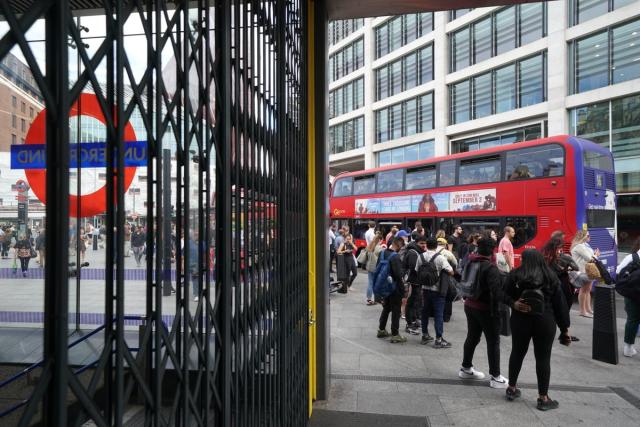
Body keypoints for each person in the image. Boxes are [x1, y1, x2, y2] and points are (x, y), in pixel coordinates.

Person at [504, 249, 571, 411]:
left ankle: (511, 388)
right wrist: (564, 329)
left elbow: (503, 294)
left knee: (517, 352)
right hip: (545, 320)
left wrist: (514, 304)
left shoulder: (515, 275)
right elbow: (560, 306)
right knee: (543, 358)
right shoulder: (551, 276)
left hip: (520, 319)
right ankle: (543, 398)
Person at [459, 237, 508, 388]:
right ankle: (495, 376)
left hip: (470, 305)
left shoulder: (470, 260)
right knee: (493, 341)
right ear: (493, 250)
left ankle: (466, 368)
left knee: (472, 337)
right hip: (486, 309)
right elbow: (497, 291)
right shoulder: (491, 267)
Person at [416, 237, 455, 348]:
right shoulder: (440, 258)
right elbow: (451, 271)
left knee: (425, 313)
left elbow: (417, 270)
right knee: (438, 314)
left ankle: (425, 335)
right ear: (436, 246)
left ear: (426, 245)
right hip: (437, 290)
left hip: (425, 289)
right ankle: (438, 339)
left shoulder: (421, 256)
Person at [541, 237, 580, 342]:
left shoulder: (555, 256)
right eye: (559, 248)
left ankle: (564, 332)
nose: (560, 250)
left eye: (561, 248)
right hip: (556, 285)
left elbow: (575, 267)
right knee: (561, 308)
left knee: (564, 308)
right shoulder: (549, 257)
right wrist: (564, 267)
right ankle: (564, 333)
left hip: (562, 285)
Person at [377, 236, 407, 343]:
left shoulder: (382, 253)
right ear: (398, 245)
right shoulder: (395, 257)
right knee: (396, 310)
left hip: (384, 286)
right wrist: (403, 291)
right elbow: (399, 275)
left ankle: (381, 330)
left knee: (386, 308)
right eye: (401, 246)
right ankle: (395, 334)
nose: (401, 248)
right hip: (394, 288)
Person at [617, 236, 640, 357]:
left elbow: (618, 271)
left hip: (632, 295)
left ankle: (628, 347)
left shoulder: (631, 257)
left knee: (632, 320)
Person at [570, 230, 599, 318]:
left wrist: (594, 255)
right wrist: (596, 255)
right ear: (582, 237)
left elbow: (590, 257)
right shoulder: (579, 246)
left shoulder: (585, 245)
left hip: (588, 271)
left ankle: (588, 309)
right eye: (588, 236)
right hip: (583, 271)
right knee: (583, 291)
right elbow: (589, 259)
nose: (589, 237)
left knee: (588, 291)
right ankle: (583, 311)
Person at [404, 235, 426, 335]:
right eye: (421, 243)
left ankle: (414, 321)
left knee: (416, 301)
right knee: (412, 301)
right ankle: (409, 323)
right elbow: (414, 268)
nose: (423, 245)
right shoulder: (413, 252)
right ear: (416, 242)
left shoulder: (418, 251)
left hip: (417, 281)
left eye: (425, 243)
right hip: (414, 281)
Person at [363, 232, 384, 305]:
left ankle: (369, 299)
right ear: (380, 240)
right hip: (376, 268)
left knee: (370, 283)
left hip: (369, 267)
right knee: (377, 283)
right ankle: (377, 299)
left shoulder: (370, 246)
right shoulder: (380, 248)